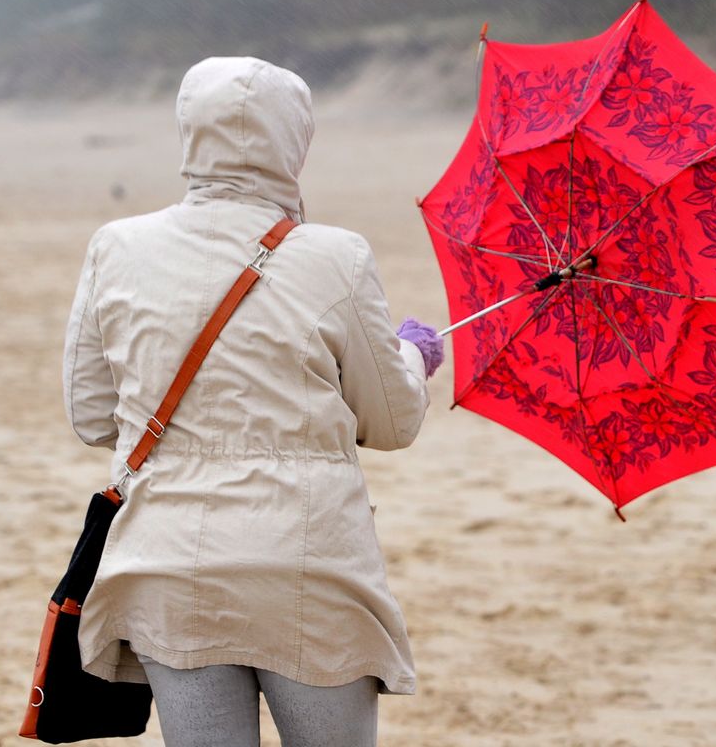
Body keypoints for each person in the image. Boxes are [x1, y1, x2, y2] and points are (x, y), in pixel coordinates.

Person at [61, 56, 445, 746]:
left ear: (189, 133)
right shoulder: (338, 257)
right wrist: (416, 353)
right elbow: (392, 422)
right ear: (295, 141)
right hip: (308, 566)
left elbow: (91, 415)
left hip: (167, 562)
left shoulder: (115, 247)